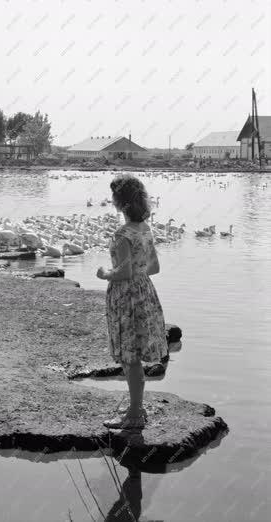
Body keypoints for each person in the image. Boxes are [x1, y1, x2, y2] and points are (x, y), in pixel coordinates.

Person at [96, 174, 167, 430]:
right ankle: (137, 406)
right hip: (144, 293)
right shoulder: (145, 229)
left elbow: (123, 273)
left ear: (118, 202)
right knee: (134, 354)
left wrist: (105, 273)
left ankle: (135, 415)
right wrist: (137, 273)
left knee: (130, 357)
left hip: (126, 298)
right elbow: (154, 267)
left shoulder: (122, 234)